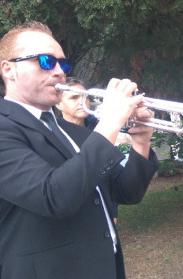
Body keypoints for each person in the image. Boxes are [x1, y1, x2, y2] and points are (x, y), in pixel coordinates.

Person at [0, 21, 159, 278]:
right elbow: (53, 196)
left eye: (62, 64)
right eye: (45, 61)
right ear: (9, 70)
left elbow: (126, 192)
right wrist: (110, 122)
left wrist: (141, 141)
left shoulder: (73, 131)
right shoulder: (5, 128)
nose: (59, 72)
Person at [56, 77, 119, 224]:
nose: (82, 101)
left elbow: (110, 172)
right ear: (59, 104)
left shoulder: (101, 128)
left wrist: (113, 211)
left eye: (85, 96)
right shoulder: (55, 133)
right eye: (74, 97)